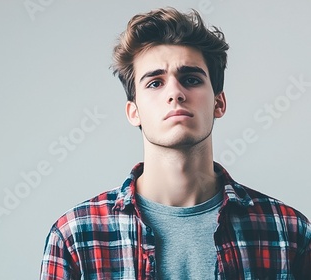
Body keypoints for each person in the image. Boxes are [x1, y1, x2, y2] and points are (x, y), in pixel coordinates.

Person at [39, 7, 311, 279]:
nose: (175, 93)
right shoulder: (75, 238)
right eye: (155, 83)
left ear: (219, 102)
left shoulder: (289, 232)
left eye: (191, 79)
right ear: (134, 112)